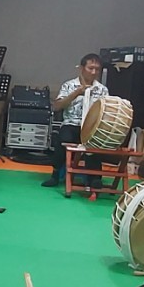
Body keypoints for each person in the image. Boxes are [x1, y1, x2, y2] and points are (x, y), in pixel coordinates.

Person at [42, 53, 108, 187]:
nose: (94, 72)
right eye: (90, 68)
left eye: (97, 69)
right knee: (63, 139)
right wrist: (77, 93)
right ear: (82, 68)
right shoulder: (69, 85)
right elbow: (57, 106)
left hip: (92, 127)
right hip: (72, 124)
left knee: (96, 142)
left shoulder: (102, 90)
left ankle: (95, 178)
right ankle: (55, 175)